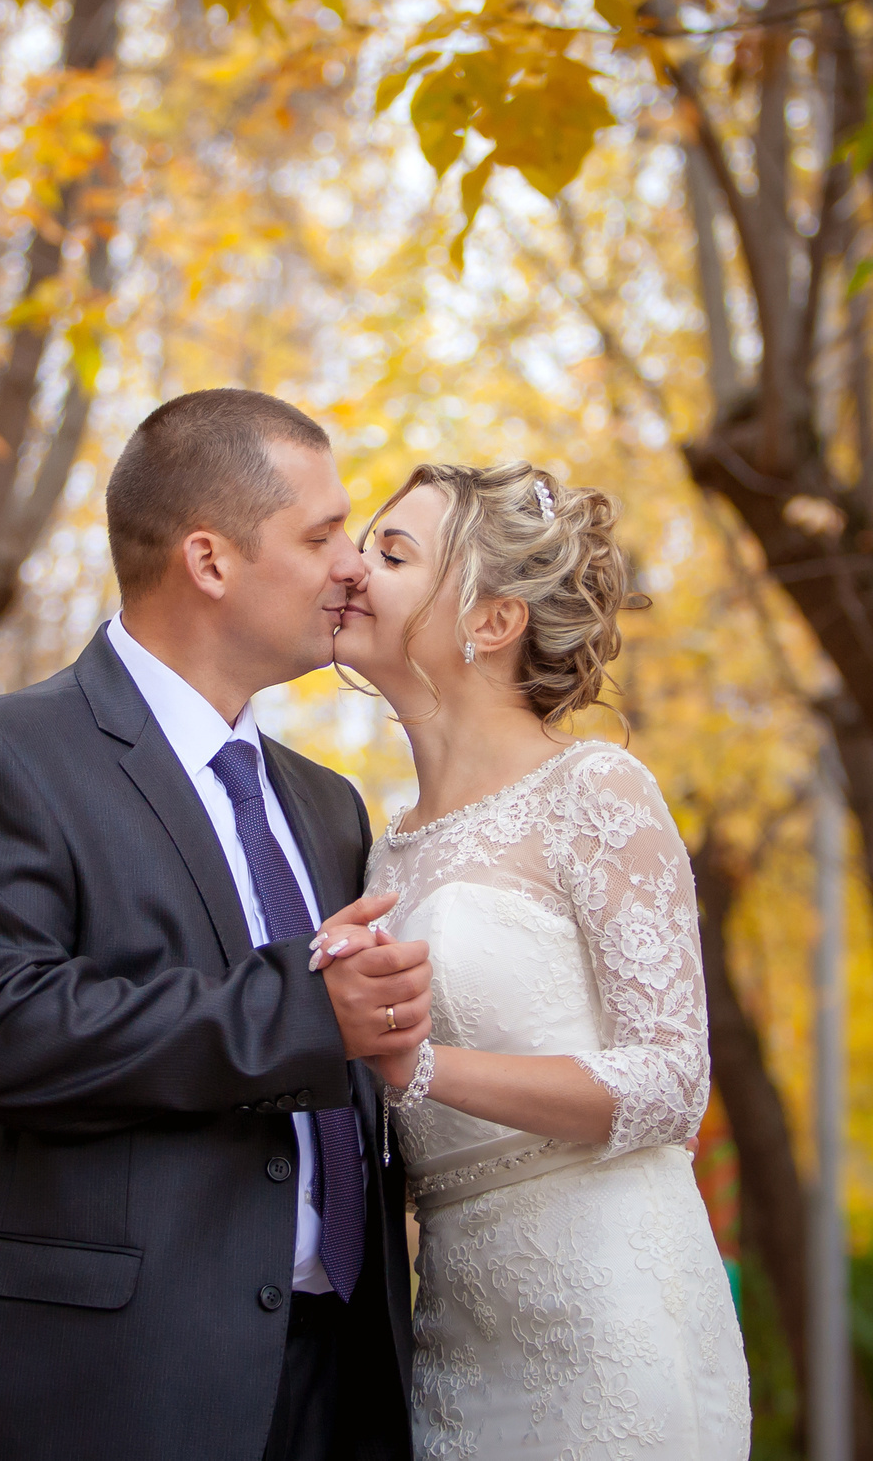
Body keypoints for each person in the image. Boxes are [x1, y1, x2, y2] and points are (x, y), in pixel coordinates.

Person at [0, 389, 426, 1461]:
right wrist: (304, 1008)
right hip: (97, 1390)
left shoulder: (327, 806)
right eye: (320, 536)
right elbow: (0, 1025)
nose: (350, 566)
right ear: (210, 560)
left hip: (339, 1389)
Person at [315, 462, 751, 1461]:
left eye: (391, 552)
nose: (350, 567)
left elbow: (671, 1082)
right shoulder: (381, 847)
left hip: (610, 1314)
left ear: (492, 618)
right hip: (455, 1332)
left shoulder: (594, 789)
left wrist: (422, 1065)